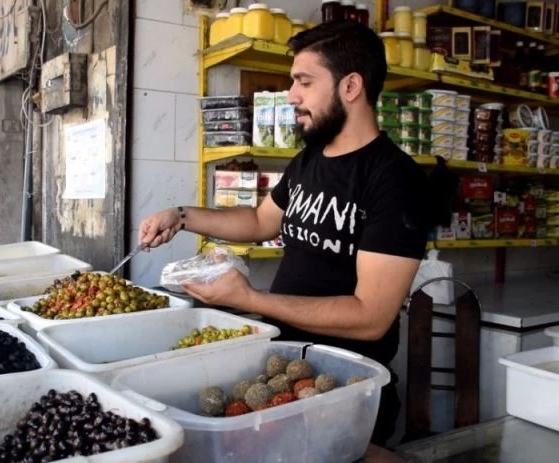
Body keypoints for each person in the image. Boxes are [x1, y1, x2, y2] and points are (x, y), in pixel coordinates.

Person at [138, 20, 432, 445]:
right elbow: (259, 222)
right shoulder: (310, 159)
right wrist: (181, 216)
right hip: (285, 374)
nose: (292, 95)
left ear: (351, 86)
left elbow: (372, 317)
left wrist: (251, 299)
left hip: (346, 388)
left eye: (304, 81)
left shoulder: (395, 180)